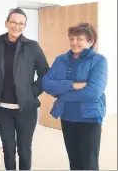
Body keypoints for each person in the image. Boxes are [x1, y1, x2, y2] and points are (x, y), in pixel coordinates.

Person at [0, 8, 49, 170]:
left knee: (24, 148)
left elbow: (45, 73)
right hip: (2, 109)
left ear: (24, 26)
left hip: (26, 108)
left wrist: (32, 92)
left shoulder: (33, 47)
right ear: (7, 23)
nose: (16, 26)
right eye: (13, 22)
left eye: (21, 23)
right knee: (8, 148)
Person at [42, 22, 107, 170]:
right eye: (72, 38)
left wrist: (63, 96)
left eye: (79, 39)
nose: (74, 42)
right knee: (74, 161)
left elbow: (93, 92)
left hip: (89, 119)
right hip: (68, 116)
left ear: (90, 41)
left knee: (89, 164)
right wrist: (72, 85)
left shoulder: (99, 61)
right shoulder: (61, 59)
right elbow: (46, 84)